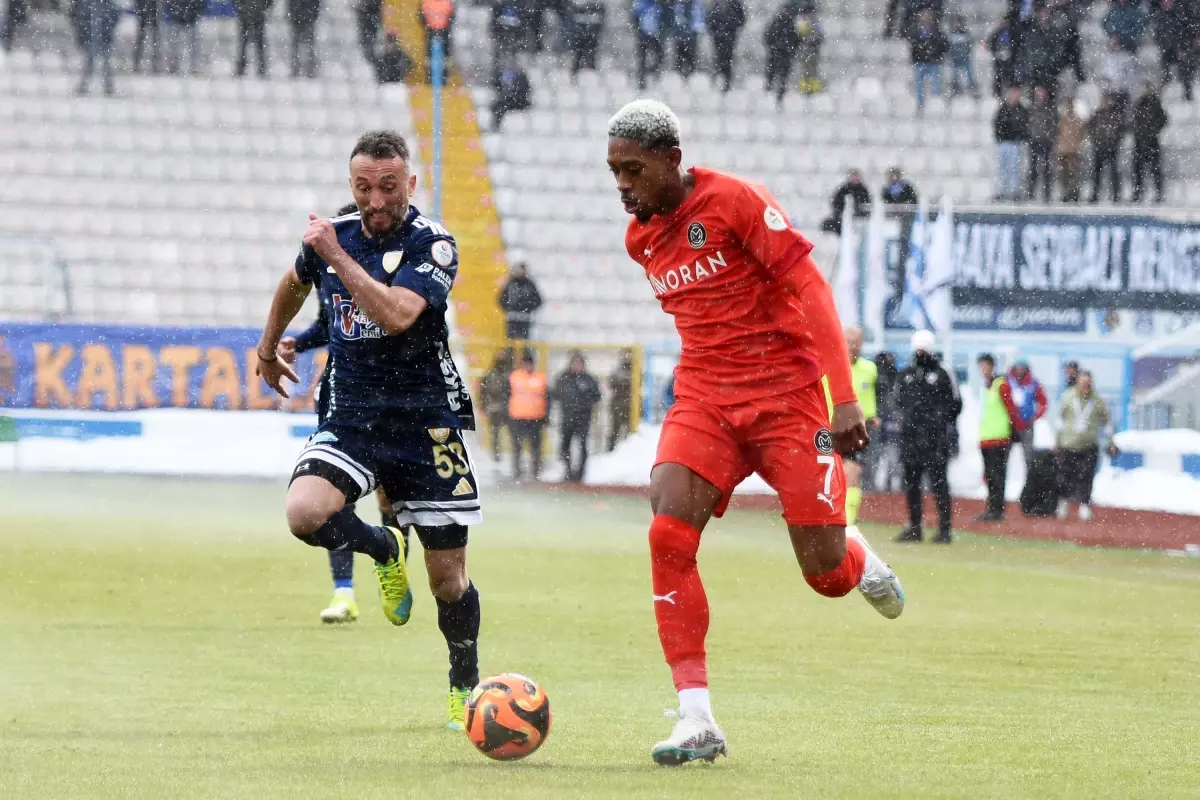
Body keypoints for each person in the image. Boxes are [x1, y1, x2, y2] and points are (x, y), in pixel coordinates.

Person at [606, 99, 904, 766]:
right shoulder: (639, 239)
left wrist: (843, 397)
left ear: (671, 161)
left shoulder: (736, 201)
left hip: (787, 400)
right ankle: (696, 718)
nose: (622, 185)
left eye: (634, 170)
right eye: (614, 172)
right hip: (706, 398)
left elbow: (811, 289)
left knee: (824, 575)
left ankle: (855, 555)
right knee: (667, 531)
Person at [254, 131, 481, 730]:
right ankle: (383, 547)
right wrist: (268, 345)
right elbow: (293, 282)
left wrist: (334, 255)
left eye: (388, 187)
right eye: (363, 187)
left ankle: (464, 683)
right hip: (352, 418)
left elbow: (396, 314)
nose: (375, 200)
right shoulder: (334, 237)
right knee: (305, 514)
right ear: (350, 185)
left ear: (410, 184)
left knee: (448, 581)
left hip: (425, 425)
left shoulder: (433, 245)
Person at [277, 215, 411, 625]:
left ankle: (394, 565)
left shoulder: (405, 262)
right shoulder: (329, 264)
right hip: (345, 401)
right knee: (334, 499)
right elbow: (330, 323)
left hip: (398, 400)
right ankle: (344, 592)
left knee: (390, 498)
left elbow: (403, 320)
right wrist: (296, 342)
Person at [894, 330, 960, 544]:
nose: (920, 352)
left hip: (935, 440)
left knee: (939, 483)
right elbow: (898, 401)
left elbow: (956, 404)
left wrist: (937, 422)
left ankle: (944, 530)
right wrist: (911, 422)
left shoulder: (942, 372)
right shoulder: (906, 373)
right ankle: (915, 528)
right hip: (911, 439)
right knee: (912, 484)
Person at [1055, 371, 1115, 522]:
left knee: (1087, 476)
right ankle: (1063, 503)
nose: (1085, 387)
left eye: (1088, 383)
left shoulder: (1097, 401)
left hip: (1089, 446)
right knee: (1064, 477)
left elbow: (1107, 423)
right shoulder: (1068, 397)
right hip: (1068, 444)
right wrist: (1056, 441)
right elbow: (1059, 420)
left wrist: (1111, 442)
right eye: (1082, 383)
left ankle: (1085, 505)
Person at [975, 353, 1022, 522]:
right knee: (990, 475)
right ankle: (992, 508)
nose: (983, 370)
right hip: (987, 438)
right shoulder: (986, 387)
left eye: (985, 366)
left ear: (992, 367)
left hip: (999, 437)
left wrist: (1014, 429)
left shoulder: (1001, 385)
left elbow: (1011, 408)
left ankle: (997, 509)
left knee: (997, 475)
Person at [843, 326, 878, 526]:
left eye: (857, 342)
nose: (853, 346)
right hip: (829, 427)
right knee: (832, 475)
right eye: (849, 341)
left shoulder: (870, 369)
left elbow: (875, 394)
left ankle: (849, 522)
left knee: (853, 473)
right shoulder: (832, 366)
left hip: (857, 429)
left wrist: (873, 415)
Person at [552, 351, 602, 482]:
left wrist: (584, 403)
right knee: (565, 445)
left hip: (583, 418)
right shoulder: (563, 378)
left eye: (580, 363)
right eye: (575, 363)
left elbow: (596, 396)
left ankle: (580, 474)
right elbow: (555, 394)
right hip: (567, 417)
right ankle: (567, 471)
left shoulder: (589, 379)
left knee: (582, 446)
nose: (577, 366)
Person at [508, 351, 547, 480]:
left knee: (535, 446)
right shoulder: (515, 376)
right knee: (517, 446)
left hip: (536, 417)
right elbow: (507, 394)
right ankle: (517, 471)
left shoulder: (540, 377)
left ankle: (535, 471)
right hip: (518, 416)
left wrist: (545, 416)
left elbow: (546, 397)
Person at [72, 0, 120, 95]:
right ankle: (104, 85)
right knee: (95, 62)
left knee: (98, 62)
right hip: (95, 37)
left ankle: (101, 85)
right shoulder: (89, 4)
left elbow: (77, 17)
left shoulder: (87, 4)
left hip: (99, 37)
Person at [1131, 83, 1168, 203]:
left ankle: (1158, 193)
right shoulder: (1139, 104)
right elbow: (1134, 121)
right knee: (1138, 171)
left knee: (1155, 170)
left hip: (1152, 141)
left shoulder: (1156, 104)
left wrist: (1152, 131)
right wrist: (1139, 132)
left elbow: (1163, 119)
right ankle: (1138, 193)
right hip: (1140, 142)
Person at [1007, 359, 1047, 468]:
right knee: (1003, 456)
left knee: (1029, 457)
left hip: (1027, 424)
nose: (1020, 370)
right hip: (1010, 425)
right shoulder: (1007, 381)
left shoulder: (1033, 383)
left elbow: (1043, 402)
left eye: (1022, 367)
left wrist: (1036, 415)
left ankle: (1030, 477)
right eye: (1018, 367)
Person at [1088, 93, 1126, 203]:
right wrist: (1096, 140)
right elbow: (1090, 128)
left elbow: (1122, 129)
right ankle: (1095, 195)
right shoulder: (1098, 114)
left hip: (1112, 147)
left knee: (1113, 173)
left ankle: (1116, 195)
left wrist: (1116, 140)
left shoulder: (1116, 114)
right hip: (1100, 147)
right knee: (1097, 174)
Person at [993, 87, 1029, 202]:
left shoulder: (1021, 110)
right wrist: (999, 137)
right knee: (1002, 169)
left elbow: (1024, 125)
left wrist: (1020, 137)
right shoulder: (1003, 109)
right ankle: (1001, 192)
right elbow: (997, 124)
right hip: (1003, 142)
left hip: (1014, 143)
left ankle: (1014, 192)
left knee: (1014, 169)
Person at [908, 9, 947, 113]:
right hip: (921, 62)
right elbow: (913, 48)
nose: (925, 19)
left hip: (933, 63)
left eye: (927, 17)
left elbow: (942, 45)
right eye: (923, 17)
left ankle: (935, 104)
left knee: (936, 84)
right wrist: (915, 59)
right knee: (919, 85)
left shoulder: (936, 32)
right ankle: (920, 104)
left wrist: (938, 57)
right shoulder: (916, 33)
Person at [478, 350, 512, 463]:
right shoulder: (495, 373)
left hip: (504, 407)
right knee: (496, 432)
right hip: (497, 407)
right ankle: (497, 453)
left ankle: (502, 453)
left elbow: (484, 391)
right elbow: (484, 391)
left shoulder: (505, 373)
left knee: (504, 432)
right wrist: (483, 404)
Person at [763, 1, 800, 106]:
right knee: (771, 73)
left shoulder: (791, 24)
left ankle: (780, 96)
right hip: (775, 53)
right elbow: (768, 36)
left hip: (785, 54)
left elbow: (796, 40)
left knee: (783, 76)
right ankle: (769, 93)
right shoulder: (776, 22)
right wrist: (774, 46)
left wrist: (789, 49)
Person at [1027, 86, 1057, 203]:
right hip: (1034, 142)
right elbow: (1028, 125)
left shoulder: (1049, 110)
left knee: (1046, 169)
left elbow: (1053, 127)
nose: (1039, 97)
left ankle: (1047, 194)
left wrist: (1048, 138)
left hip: (1045, 142)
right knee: (1033, 168)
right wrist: (1031, 137)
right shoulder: (1032, 109)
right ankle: (1031, 193)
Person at [498, 263, 542, 340]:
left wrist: (527, 308)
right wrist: (510, 309)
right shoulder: (511, 283)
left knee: (525, 342)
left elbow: (538, 300)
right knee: (510, 341)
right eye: (520, 270)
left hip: (525, 318)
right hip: (512, 318)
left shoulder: (529, 284)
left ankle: (524, 348)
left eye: (523, 270)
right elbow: (501, 298)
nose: (522, 272)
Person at [708, 0, 744, 92]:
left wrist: (731, 28)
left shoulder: (734, 4)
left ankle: (726, 82)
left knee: (727, 59)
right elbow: (710, 18)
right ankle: (718, 81)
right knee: (719, 58)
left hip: (728, 37)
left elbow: (741, 19)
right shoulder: (717, 3)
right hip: (719, 37)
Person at [820, 169, 871, 234]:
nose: (854, 179)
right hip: (843, 218)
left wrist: (857, 211)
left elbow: (866, 205)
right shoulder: (844, 189)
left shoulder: (863, 190)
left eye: (855, 177)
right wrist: (842, 212)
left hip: (858, 218)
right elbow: (836, 202)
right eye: (852, 177)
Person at [1100, 35, 1139, 117]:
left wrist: (1124, 86)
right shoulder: (1108, 58)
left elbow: (1131, 75)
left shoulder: (1127, 57)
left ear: (1120, 44)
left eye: (1115, 44)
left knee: (1123, 113)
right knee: (1111, 114)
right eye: (1112, 44)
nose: (1114, 46)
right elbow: (1104, 75)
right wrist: (1107, 89)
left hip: (1123, 91)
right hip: (1112, 91)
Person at [163, 0, 205, 76]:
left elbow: (200, 3)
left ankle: (192, 67)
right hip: (180, 18)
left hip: (188, 19)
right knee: (176, 45)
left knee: (192, 46)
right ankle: (174, 66)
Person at [1057, 99, 1086, 203]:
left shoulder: (1072, 120)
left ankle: (1072, 194)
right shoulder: (1065, 120)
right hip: (1067, 151)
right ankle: (1069, 193)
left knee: (1071, 174)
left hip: (1071, 151)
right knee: (1067, 175)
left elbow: (1080, 135)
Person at [566, 0, 605, 78]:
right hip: (582, 32)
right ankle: (579, 73)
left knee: (589, 53)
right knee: (580, 53)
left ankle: (590, 72)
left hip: (589, 31)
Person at [491, 56, 532, 128]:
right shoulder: (501, 74)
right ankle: (496, 126)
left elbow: (526, 89)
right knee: (497, 107)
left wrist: (513, 93)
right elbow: (497, 87)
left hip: (518, 100)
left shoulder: (521, 75)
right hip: (505, 100)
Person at [666, 0, 704, 79]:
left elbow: (698, 20)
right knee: (679, 62)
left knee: (690, 62)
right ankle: (682, 78)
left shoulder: (693, 4)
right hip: (681, 37)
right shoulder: (679, 5)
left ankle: (688, 78)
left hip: (689, 38)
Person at [633, 0, 664, 90]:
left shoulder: (655, 4)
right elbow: (635, 18)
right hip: (644, 34)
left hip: (654, 34)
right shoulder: (641, 3)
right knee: (642, 59)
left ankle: (652, 75)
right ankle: (642, 81)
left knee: (659, 56)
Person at [234, 0, 271, 77]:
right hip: (253, 15)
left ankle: (245, 67)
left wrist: (242, 8)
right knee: (252, 44)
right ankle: (259, 67)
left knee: (254, 44)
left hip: (253, 15)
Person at [421, 0, 455, 83]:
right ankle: (430, 77)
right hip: (433, 31)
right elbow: (421, 16)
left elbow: (452, 16)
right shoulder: (427, 2)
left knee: (445, 56)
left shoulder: (447, 2)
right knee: (430, 56)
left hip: (442, 32)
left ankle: (444, 77)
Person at [607, 349, 635, 450]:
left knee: (631, 432)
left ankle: (630, 451)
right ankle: (611, 451)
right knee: (615, 430)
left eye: (629, 355)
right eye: (625, 355)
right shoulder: (617, 371)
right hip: (618, 405)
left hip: (631, 406)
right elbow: (610, 385)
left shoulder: (636, 370)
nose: (627, 357)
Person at [985, 17, 1017, 98]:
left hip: (1010, 59)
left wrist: (1011, 50)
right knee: (998, 77)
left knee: (1010, 77)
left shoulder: (1012, 32)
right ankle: (998, 94)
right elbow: (989, 43)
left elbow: (1017, 44)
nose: (1004, 24)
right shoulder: (997, 33)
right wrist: (996, 51)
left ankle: (1009, 95)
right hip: (999, 59)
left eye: (1006, 22)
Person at [947, 15, 978, 97]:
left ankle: (972, 88)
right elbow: (949, 46)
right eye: (956, 23)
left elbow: (970, 45)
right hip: (955, 58)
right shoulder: (952, 34)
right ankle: (955, 88)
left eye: (959, 23)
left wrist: (967, 53)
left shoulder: (966, 33)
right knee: (954, 74)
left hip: (965, 57)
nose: (958, 25)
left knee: (969, 73)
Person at [288, 0, 321, 78]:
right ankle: (306, 69)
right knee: (306, 46)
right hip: (302, 18)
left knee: (300, 46)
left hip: (301, 18)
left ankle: (301, 69)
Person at [794, 10, 823, 94]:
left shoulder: (814, 25)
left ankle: (811, 90)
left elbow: (819, 39)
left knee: (810, 72)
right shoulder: (810, 25)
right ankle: (807, 90)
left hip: (810, 52)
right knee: (808, 72)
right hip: (808, 52)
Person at [132, 0, 160, 73]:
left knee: (150, 42)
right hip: (147, 17)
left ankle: (153, 64)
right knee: (151, 42)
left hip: (147, 17)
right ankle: (138, 64)